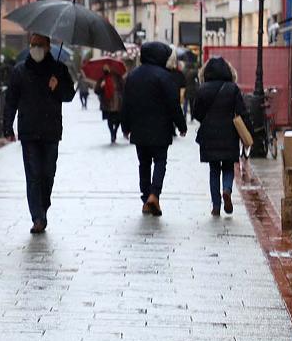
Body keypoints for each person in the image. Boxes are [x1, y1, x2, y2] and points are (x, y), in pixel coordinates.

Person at [3, 33, 76, 234]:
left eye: (40, 45)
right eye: (33, 44)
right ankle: (37, 216)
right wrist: (7, 126)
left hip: (51, 131)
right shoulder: (20, 71)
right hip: (28, 131)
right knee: (33, 175)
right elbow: (11, 100)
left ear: (48, 46)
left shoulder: (59, 69)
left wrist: (57, 86)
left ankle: (43, 205)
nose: (35, 48)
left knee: (48, 174)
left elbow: (69, 95)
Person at [120, 41, 187, 216]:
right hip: (160, 129)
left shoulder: (133, 76)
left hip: (139, 129)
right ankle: (154, 195)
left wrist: (125, 126)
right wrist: (181, 125)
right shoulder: (165, 77)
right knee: (160, 161)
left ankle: (145, 198)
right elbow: (174, 105)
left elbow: (125, 103)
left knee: (143, 164)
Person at [193, 57, 248, 216]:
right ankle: (227, 189)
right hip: (229, 133)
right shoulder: (233, 88)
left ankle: (216, 205)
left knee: (214, 169)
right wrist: (250, 133)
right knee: (229, 166)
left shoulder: (203, 89)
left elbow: (196, 113)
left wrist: (207, 118)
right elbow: (242, 112)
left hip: (209, 134)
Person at [97, 65, 124, 143]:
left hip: (117, 103)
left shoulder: (117, 77)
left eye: (107, 67)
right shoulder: (102, 78)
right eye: (104, 67)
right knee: (109, 120)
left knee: (118, 120)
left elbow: (123, 87)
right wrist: (101, 86)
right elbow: (96, 90)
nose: (105, 68)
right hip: (107, 104)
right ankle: (112, 134)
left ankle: (115, 132)